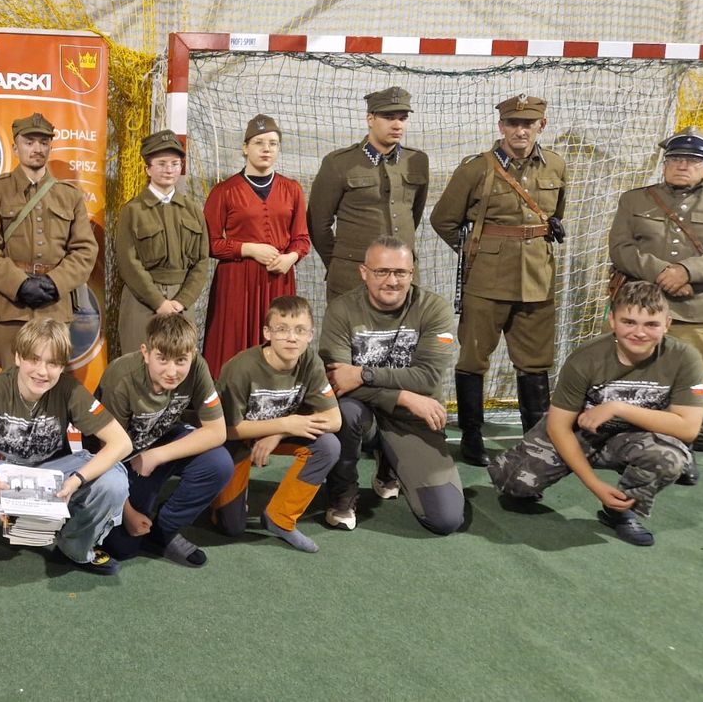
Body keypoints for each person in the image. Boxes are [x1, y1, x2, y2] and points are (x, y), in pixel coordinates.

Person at [489, 282, 703, 546]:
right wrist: (594, 485)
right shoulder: (585, 358)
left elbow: (688, 429)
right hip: (580, 433)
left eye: (651, 324)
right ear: (612, 320)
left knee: (670, 458)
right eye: (629, 322)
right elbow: (558, 427)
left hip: (631, 437)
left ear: (667, 324)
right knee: (516, 485)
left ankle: (620, 511)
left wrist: (618, 407)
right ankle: (518, 471)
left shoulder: (684, 358)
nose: (639, 332)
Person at [0, 318, 130, 574]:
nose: (42, 371)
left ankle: (76, 546)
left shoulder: (70, 390)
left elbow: (121, 443)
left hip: (54, 473)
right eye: (34, 359)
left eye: (53, 363)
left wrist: (77, 479)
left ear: (62, 366)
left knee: (114, 481)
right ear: (18, 357)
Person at [430, 94, 568, 466]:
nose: (520, 131)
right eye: (513, 123)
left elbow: (553, 216)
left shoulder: (555, 165)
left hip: (537, 280)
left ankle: (536, 442)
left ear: (541, 125)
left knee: (535, 362)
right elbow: (443, 219)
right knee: (473, 359)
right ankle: (472, 437)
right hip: (486, 281)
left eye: (528, 124)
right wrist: (477, 249)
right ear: (501, 126)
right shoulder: (476, 169)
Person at [318, 236, 463, 535]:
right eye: (382, 271)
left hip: (413, 420)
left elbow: (427, 378)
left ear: (412, 273)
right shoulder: (342, 310)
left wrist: (363, 374)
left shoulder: (434, 309)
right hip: (364, 414)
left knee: (445, 519)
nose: (392, 281)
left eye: (400, 272)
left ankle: (390, 462)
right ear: (364, 272)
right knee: (345, 410)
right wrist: (403, 396)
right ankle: (342, 494)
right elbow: (337, 381)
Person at [96, 313, 231, 568]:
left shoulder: (197, 366)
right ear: (146, 353)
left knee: (219, 463)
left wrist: (156, 455)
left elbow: (217, 431)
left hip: (158, 444)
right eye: (162, 359)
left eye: (181, 360)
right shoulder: (121, 376)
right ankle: (133, 516)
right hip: (118, 460)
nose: (172, 371)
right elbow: (106, 453)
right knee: (122, 547)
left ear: (192, 355)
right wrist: (128, 513)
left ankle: (164, 531)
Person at [609, 129, 703, 373]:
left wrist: (685, 272)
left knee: (691, 381)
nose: (682, 166)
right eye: (675, 159)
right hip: (636, 307)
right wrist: (663, 273)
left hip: (696, 310)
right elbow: (620, 249)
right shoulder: (633, 200)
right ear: (664, 166)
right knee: (624, 377)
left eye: (692, 161)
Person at [211, 296, 340, 553]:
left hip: (276, 432)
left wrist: (280, 432)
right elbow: (225, 430)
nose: (291, 338)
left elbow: (335, 420)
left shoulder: (310, 362)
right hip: (234, 440)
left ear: (310, 335)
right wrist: (284, 424)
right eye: (282, 329)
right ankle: (216, 499)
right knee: (231, 527)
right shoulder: (241, 368)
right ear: (267, 333)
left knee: (328, 445)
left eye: (300, 330)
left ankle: (280, 518)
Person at [0, 113, 98, 368]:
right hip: (9, 308)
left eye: (43, 142)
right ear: (15, 147)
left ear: (50, 146)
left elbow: (85, 250)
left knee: (50, 378)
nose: (37, 148)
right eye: (29, 142)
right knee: (11, 379)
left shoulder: (69, 196)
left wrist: (55, 282)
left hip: (54, 307)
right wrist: (19, 285)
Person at [202, 115, 310, 377]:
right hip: (237, 282)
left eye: (273, 144)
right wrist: (248, 249)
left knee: (278, 337)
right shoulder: (224, 191)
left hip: (278, 279)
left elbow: (302, 238)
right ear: (245, 148)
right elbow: (210, 244)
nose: (266, 149)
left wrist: (290, 258)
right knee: (233, 342)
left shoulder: (292, 189)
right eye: (259, 142)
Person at [308, 86, 429, 300]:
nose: (397, 125)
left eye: (402, 118)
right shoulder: (339, 163)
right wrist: (341, 262)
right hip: (352, 280)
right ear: (370, 119)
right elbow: (318, 223)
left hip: (402, 281)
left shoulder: (417, 161)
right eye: (389, 117)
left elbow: (413, 214)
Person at [112, 130, 211, 357]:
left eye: (175, 164)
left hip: (181, 303)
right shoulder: (133, 210)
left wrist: (181, 302)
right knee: (139, 362)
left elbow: (202, 261)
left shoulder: (193, 210)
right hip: (142, 301)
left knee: (180, 363)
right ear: (148, 169)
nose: (169, 169)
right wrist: (158, 302)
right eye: (162, 164)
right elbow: (128, 262)